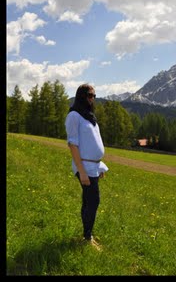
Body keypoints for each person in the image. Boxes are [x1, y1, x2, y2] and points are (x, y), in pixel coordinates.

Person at [66, 83, 109, 250]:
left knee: (88, 200)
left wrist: (100, 167)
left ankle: (87, 234)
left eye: (94, 96)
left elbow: (93, 144)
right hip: (84, 167)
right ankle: (87, 237)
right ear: (81, 96)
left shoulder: (90, 117)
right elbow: (73, 145)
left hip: (93, 167)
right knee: (93, 201)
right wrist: (82, 171)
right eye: (90, 95)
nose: (92, 99)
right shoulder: (74, 116)